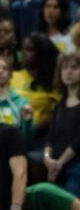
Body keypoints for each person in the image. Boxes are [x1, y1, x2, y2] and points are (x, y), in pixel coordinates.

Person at [43, 52, 80, 196]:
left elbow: (78, 141)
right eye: (64, 68)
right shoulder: (59, 105)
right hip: (56, 164)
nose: (68, 72)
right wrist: (47, 159)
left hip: (75, 165)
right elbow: (50, 138)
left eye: (74, 68)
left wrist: (59, 163)